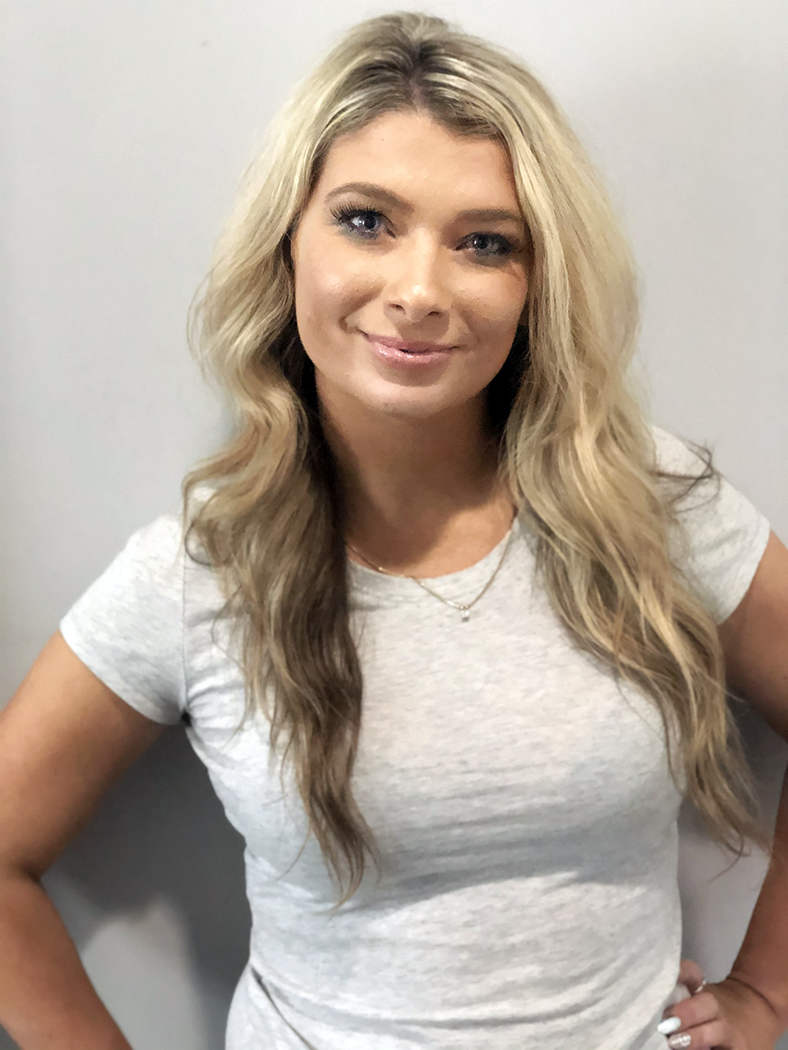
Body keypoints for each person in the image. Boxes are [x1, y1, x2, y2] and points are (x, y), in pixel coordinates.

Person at [0, 10, 786, 1050]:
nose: (418, 291)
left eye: (484, 243)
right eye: (367, 221)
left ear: (535, 282)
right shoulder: (202, 572)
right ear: (288, 243)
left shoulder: (644, 501)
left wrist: (767, 994)